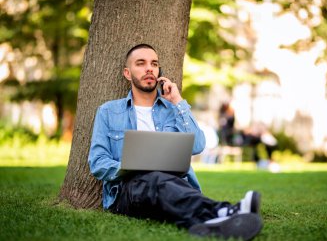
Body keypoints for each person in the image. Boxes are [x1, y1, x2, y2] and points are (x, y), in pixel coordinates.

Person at [88, 44, 263, 240]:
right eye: (141, 63)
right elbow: (97, 162)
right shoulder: (108, 111)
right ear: (127, 73)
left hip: (174, 185)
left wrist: (179, 102)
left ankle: (210, 223)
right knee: (152, 178)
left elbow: (198, 146)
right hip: (129, 191)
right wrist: (131, 166)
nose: (149, 69)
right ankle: (226, 211)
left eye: (154, 64)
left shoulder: (173, 110)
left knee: (162, 183)